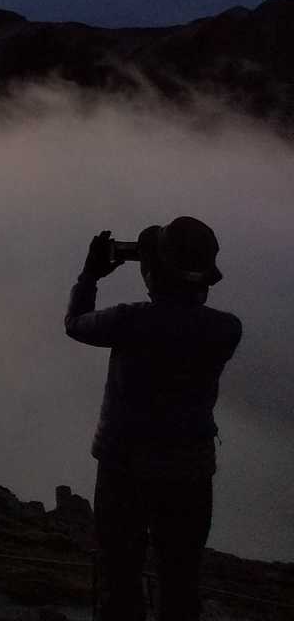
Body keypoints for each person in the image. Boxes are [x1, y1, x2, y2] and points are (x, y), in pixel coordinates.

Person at [65, 217, 242, 621]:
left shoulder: (129, 321)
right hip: (191, 470)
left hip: (123, 467)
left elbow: (75, 324)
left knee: (119, 577)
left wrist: (91, 275)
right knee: (181, 581)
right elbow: (180, 315)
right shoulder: (226, 330)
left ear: (156, 273)